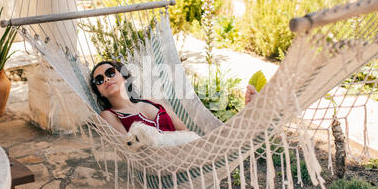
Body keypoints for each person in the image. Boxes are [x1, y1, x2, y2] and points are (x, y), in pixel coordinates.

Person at [91, 60, 257, 135]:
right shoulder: (109, 116)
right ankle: (249, 119)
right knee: (223, 142)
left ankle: (248, 119)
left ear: (125, 76)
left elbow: (184, 130)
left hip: (184, 152)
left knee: (221, 140)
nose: (105, 79)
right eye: (99, 80)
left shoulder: (153, 102)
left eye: (110, 73)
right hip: (159, 161)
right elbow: (129, 145)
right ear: (99, 91)